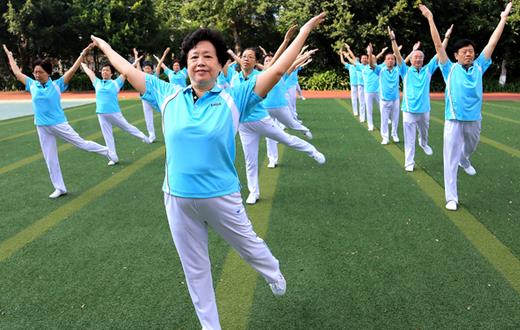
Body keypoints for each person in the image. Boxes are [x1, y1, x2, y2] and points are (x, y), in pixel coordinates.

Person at [90, 12, 326, 330]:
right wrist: (105, 47)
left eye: (208, 56)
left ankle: (273, 272)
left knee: (251, 246)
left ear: (218, 65)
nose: (201, 61)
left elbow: (281, 67)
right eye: (194, 56)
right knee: (196, 270)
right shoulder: (167, 94)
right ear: (187, 63)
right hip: (177, 199)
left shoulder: (235, 97)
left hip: (222, 196)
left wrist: (306, 30)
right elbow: (128, 70)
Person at [419, 2, 513, 211]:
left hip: (474, 119)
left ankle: (465, 159)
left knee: (470, 147)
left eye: (471, 51)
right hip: (453, 121)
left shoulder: (479, 66)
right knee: (449, 160)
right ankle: (451, 197)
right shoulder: (449, 68)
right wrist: (431, 19)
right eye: (464, 51)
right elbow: (437, 46)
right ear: (456, 55)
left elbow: (492, 43)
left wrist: (503, 18)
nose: (469, 54)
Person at [2, 44, 113, 198]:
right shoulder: (32, 85)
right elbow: (16, 72)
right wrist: (9, 55)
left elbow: (72, 70)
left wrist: (83, 53)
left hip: (59, 124)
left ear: (48, 73)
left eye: (40, 72)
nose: (36, 74)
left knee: (81, 143)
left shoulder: (56, 85)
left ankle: (108, 151)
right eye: (35, 72)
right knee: (50, 158)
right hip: (41, 126)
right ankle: (60, 188)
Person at [235, 44, 325, 205]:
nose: (246, 59)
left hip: (261, 119)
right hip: (244, 125)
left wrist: (286, 41)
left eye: (250, 57)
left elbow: (277, 64)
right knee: (250, 161)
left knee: (286, 139)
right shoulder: (235, 79)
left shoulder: (261, 76)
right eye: (243, 56)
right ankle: (253, 192)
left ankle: (312, 151)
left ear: (256, 62)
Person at [388, 26, 452, 172]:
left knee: (424, 133)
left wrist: (446, 37)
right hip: (409, 111)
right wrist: (393, 39)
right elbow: (397, 55)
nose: (418, 59)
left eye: (420, 57)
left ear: (423, 60)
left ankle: (423, 143)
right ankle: (409, 163)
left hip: (424, 110)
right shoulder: (405, 70)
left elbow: (440, 51)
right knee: (409, 140)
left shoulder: (428, 70)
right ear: (411, 59)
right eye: (415, 57)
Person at [80, 61, 152, 165]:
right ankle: (113, 158)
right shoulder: (97, 82)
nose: (104, 72)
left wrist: (135, 62)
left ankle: (145, 138)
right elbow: (89, 72)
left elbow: (127, 71)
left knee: (127, 127)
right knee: (107, 136)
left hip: (114, 113)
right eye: (103, 70)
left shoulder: (116, 82)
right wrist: (82, 62)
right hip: (101, 114)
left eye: (107, 70)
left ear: (111, 73)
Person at [367, 43, 400, 144]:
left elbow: (405, 60)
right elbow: (371, 64)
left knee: (395, 118)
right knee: (384, 119)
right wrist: (370, 52)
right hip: (384, 99)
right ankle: (385, 137)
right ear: (385, 61)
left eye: (392, 59)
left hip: (395, 99)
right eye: (388, 59)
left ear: (394, 61)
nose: (390, 60)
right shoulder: (380, 70)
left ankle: (394, 134)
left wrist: (412, 51)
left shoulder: (397, 69)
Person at [133, 48, 157, 142]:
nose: (146, 70)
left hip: (155, 98)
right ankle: (152, 136)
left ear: (151, 70)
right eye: (145, 68)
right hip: (145, 98)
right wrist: (136, 55)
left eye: (148, 68)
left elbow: (159, 66)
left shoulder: (154, 76)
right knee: (148, 118)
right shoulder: (141, 75)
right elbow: (137, 66)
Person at [339, 46, 360, 116]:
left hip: (360, 84)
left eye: (356, 60)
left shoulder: (358, 66)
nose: (354, 60)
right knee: (354, 98)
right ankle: (355, 111)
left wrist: (348, 49)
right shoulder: (350, 66)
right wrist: (341, 54)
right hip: (353, 84)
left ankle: (361, 111)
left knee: (361, 98)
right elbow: (342, 61)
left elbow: (352, 56)